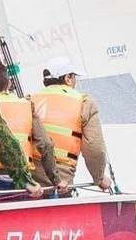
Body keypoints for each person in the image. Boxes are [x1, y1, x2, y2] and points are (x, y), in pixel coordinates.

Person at [31, 56, 116, 192]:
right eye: (74, 77)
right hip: (61, 181)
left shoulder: (29, 100)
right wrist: (99, 177)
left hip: (30, 182)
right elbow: (94, 148)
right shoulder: (84, 103)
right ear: (68, 78)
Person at [0, 58, 43, 195]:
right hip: (23, 176)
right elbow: (45, 143)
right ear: (9, 82)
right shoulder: (26, 104)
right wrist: (55, 179)